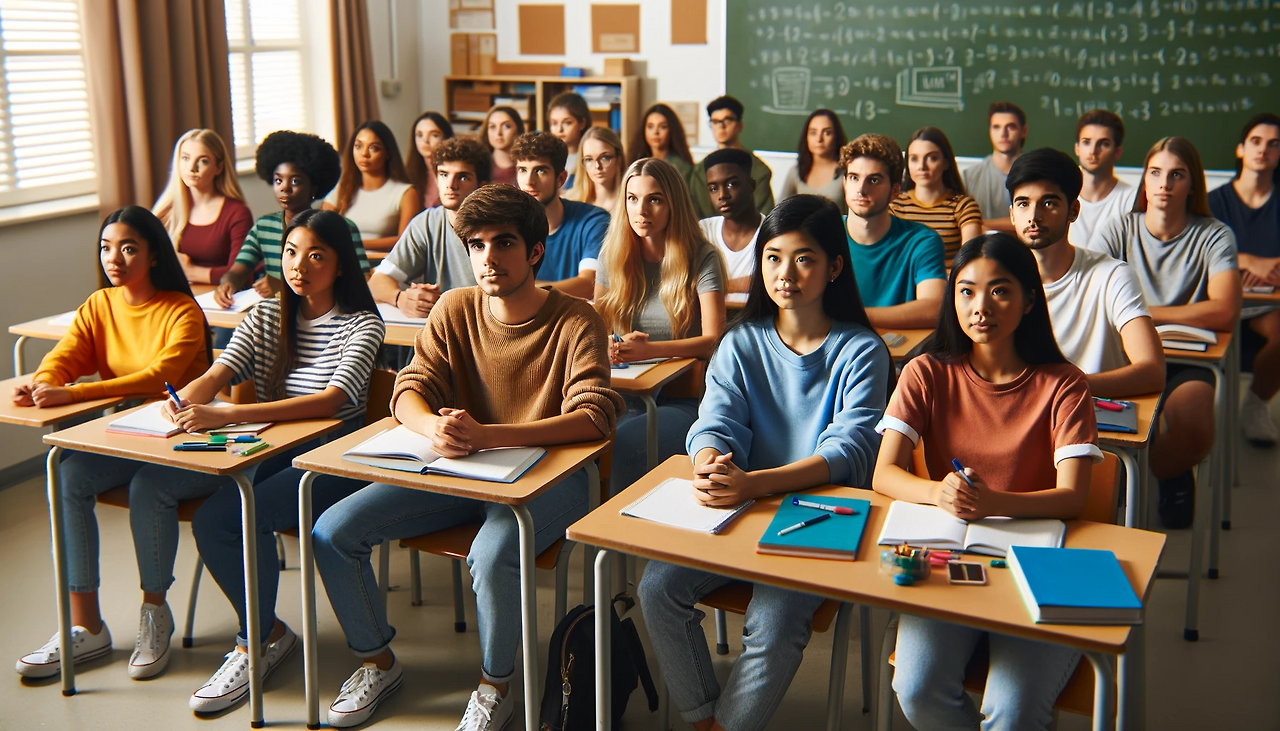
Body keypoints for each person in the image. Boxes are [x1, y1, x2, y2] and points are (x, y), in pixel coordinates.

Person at [311, 184, 623, 729]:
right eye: (476, 245)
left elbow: (595, 417)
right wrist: (432, 426)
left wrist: (487, 436)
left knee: (492, 555)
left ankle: (495, 684)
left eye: (504, 243)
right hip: (461, 471)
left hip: (553, 478)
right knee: (333, 531)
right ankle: (377, 662)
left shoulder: (577, 319)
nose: (488, 258)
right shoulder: (454, 308)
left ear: (535, 251)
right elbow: (409, 390)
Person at [639, 194, 891, 731]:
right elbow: (715, 419)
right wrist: (709, 462)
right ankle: (705, 720)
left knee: (772, 624)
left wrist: (755, 484)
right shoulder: (741, 341)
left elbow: (848, 449)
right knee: (656, 588)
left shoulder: (861, 350)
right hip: (740, 504)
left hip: (818, 514)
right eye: (773, 258)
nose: (785, 274)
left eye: (804, 259)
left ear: (834, 267)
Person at [873, 233, 1103, 731]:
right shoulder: (925, 372)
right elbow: (884, 472)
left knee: (1012, 711)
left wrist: (993, 501)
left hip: (1038, 565)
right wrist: (937, 492)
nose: (981, 306)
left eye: (999, 291)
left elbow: (1073, 496)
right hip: (951, 559)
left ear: (1029, 300)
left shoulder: (1064, 384)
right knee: (917, 689)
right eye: (966, 291)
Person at [183, 209, 385, 712]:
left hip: (335, 457)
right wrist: (186, 398)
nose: (299, 265)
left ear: (341, 265)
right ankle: (266, 632)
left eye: (316, 255)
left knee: (239, 516)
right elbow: (219, 372)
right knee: (213, 519)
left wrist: (228, 413)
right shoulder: (267, 315)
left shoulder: (363, 324)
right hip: (275, 446)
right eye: (292, 252)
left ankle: (254, 643)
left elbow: (332, 401)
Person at [13, 206, 211, 680]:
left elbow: (158, 377)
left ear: (154, 255)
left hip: (183, 440)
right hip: (127, 437)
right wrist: (42, 383)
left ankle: (155, 613)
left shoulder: (182, 310)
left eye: (128, 248)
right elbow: (65, 356)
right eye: (106, 248)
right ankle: (87, 626)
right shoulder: (100, 304)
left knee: (147, 487)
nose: (114, 259)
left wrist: (74, 393)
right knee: (66, 474)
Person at [1088, 137, 1241, 529]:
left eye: (1177, 175)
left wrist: (1142, 314)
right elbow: (1090, 292)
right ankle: (1127, 481)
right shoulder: (1119, 228)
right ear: (1144, 180)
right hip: (1125, 356)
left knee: (1195, 423)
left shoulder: (1214, 234)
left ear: (1193, 184)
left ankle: (1161, 475)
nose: (1164, 184)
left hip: (1186, 360)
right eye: (1155, 173)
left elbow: (1225, 309)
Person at [596, 157, 727, 494]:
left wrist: (649, 350)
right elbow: (597, 327)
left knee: (624, 444)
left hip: (682, 399)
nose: (641, 210)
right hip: (623, 393)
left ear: (673, 204)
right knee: (581, 436)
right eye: (632, 198)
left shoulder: (702, 257)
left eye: (654, 199)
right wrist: (607, 343)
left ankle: (618, 524)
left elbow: (714, 340)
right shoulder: (612, 255)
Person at [1007, 148, 1166, 397]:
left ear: (1073, 211)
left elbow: (1152, 371)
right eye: (1023, 204)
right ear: (1012, 215)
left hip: (1094, 413)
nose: (1034, 216)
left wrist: (1061, 389)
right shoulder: (998, 279)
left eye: (1049, 203)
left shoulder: (1112, 276)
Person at [213, 130, 370, 306]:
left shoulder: (341, 228)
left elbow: (362, 282)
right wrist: (228, 284)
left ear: (314, 187)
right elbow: (238, 270)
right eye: (278, 180)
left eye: (295, 181)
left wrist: (282, 286)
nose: (284, 188)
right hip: (276, 312)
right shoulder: (263, 227)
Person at [1209, 112, 1280, 446]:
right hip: (1221, 302)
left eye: (1273, 144)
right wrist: (1247, 261)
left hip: (1267, 307)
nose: (1263, 150)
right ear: (1240, 149)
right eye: (1256, 141)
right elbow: (1200, 254)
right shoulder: (1214, 201)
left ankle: (1256, 405)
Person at [369, 136, 490, 318]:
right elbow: (376, 282)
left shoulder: (497, 225)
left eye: (463, 177)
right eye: (444, 174)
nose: (451, 185)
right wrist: (401, 299)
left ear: (481, 186)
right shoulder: (427, 222)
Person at [840, 134, 946, 329]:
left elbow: (935, 308)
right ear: (844, 183)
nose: (861, 189)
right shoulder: (823, 234)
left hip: (899, 348)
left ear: (895, 191)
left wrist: (853, 315)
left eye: (874, 180)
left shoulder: (921, 241)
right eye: (854, 178)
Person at [512, 131, 609, 299]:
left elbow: (589, 285)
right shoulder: (507, 225)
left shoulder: (594, 221)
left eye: (540, 171)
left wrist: (522, 292)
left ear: (561, 179)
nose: (529, 181)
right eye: (523, 170)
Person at [153, 128, 253, 285]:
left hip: (223, 297)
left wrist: (191, 272)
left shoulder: (237, 213)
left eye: (203, 161)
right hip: (181, 294)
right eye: (185, 158)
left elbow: (242, 274)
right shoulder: (167, 211)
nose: (191, 168)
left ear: (219, 168)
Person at [890, 126, 984, 266]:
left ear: (946, 163)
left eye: (932, 158)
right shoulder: (894, 206)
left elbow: (970, 261)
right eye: (914, 159)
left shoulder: (964, 206)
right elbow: (890, 258)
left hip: (949, 279)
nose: (922, 166)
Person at [323, 120, 422, 252]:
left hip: (383, 262)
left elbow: (406, 240)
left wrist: (355, 244)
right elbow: (322, 230)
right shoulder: (343, 188)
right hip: (345, 261)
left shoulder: (405, 193)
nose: (364, 154)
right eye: (358, 146)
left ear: (387, 153)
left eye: (374, 148)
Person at [688, 96, 776, 220]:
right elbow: (695, 215)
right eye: (715, 121)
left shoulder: (758, 170)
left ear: (739, 125)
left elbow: (765, 217)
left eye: (727, 120)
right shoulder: (700, 171)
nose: (721, 126)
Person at [698, 148, 763, 294]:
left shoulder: (771, 233)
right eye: (713, 188)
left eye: (732, 184)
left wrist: (712, 284)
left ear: (751, 185)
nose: (722, 195)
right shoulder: (703, 231)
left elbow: (771, 281)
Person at [1070, 110, 1137, 249]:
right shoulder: (1061, 194)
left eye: (1104, 144)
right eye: (1086, 142)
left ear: (1117, 152)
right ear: (1077, 148)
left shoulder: (1132, 199)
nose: (1093, 151)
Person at [962, 101, 1026, 233]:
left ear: (1023, 131)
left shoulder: (1036, 175)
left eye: (1010, 127)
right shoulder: (969, 177)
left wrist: (983, 224)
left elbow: (1032, 220)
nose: (1003, 133)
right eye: (996, 127)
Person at [779, 109, 847, 212]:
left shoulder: (846, 172)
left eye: (827, 133)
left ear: (836, 136)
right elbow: (779, 211)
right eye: (813, 132)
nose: (819, 139)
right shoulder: (796, 171)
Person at [628, 103, 696, 182]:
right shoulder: (636, 162)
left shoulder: (681, 167)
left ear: (671, 130)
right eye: (650, 126)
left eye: (662, 127)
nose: (656, 132)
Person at [567, 125, 625, 213]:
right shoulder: (572, 203)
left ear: (619, 159)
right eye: (589, 159)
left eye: (604, 158)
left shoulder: (630, 204)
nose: (597, 166)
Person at [405, 111, 455, 209]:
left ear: (446, 138)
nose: (425, 141)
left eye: (434, 135)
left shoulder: (455, 173)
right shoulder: (407, 174)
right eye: (420, 135)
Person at [547, 91, 592, 191]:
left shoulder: (590, 157)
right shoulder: (547, 157)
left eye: (567, 123)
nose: (559, 129)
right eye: (554, 123)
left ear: (582, 123)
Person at [482, 105, 525, 187]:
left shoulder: (527, 165)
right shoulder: (480, 164)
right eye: (492, 126)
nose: (498, 133)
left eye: (506, 126)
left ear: (518, 130)